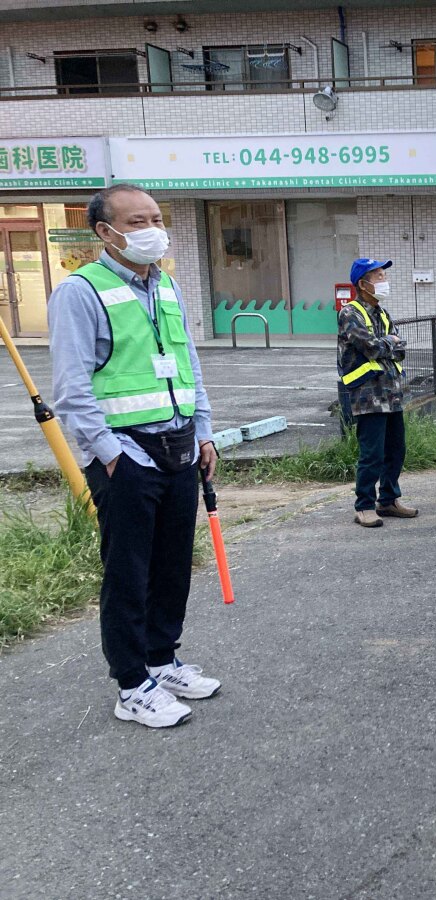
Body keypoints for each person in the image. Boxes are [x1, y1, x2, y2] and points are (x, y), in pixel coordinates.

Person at [49, 184, 220, 729]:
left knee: (173, 563)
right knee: (128, 570)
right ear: (105, 231)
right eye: (137, 220)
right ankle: (131, 684)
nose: (152, 228)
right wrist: (111, 455)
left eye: (155, 218)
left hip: (180, 447)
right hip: (127, 455)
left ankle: (162, 659)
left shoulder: (165, 284)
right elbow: (72, 389)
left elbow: (189, 364)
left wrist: (205, 432)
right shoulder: (81, 291)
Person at [338, 258, 417, 528]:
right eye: (379, 276)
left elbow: (402, 347)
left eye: (384, 275)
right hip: (368, 394)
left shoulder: (382, 312)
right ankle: (364, 506)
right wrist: (389, 343)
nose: (384, 281)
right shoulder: (350, 313)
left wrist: (389, 343)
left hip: (392, 393)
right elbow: (370, 347)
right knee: (372, 453)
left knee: (396, 449)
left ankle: (389, 500)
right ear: (363, 284)